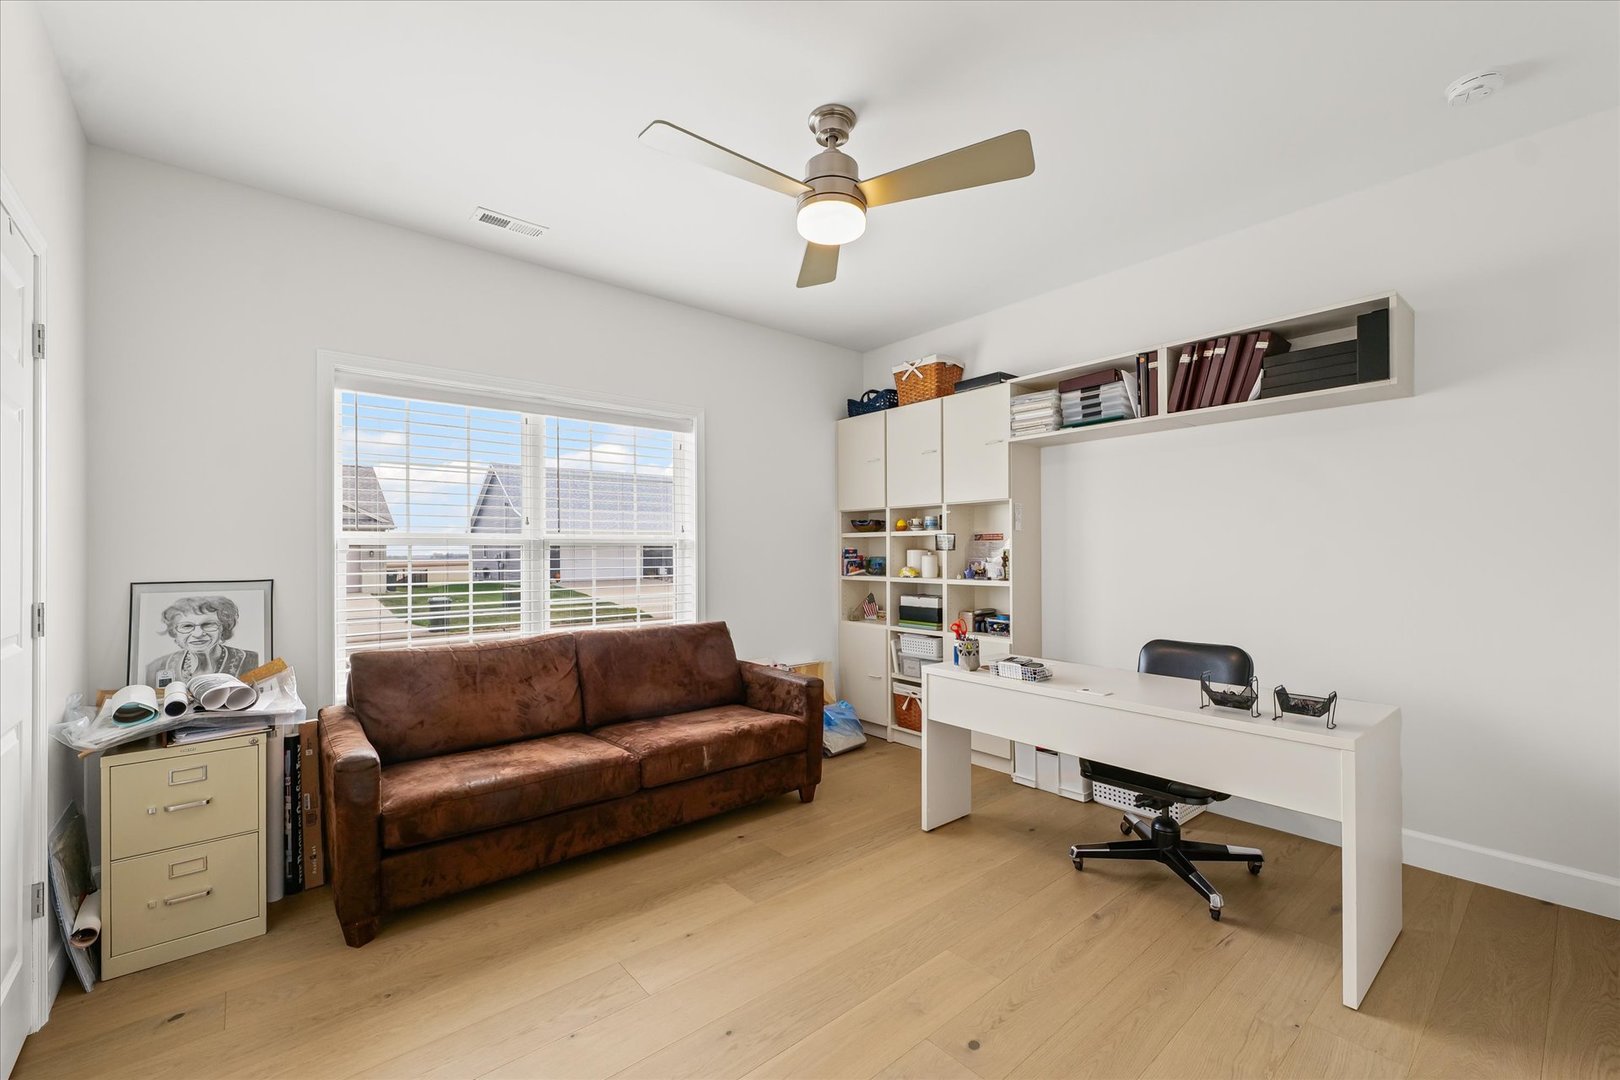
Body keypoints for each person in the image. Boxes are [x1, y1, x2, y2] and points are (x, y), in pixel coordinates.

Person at [144, 596, 259, 686]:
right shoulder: (155, 668)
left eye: (208, 624)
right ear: (175, 632)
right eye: (187, 626)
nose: (198, 634)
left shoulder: (253, 661)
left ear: (223, 628)